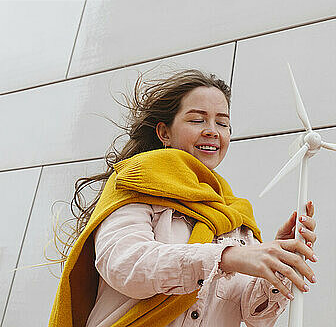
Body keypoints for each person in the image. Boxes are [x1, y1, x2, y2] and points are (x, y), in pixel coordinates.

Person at [49, 69, 318, 327]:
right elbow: (126, 264)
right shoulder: (134, 185)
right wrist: (225, 257)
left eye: (222, 123)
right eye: (197, 120)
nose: (212, 130)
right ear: (164, 132)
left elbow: (256, 316)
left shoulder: (235, 216)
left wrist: (281, 260)